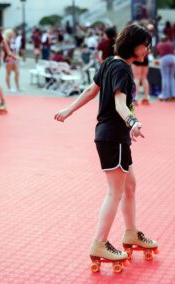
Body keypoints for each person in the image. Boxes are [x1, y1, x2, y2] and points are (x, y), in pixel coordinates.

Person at [54, 24, 159, 273]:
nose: (148, 49)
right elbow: (120, 103)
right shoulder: (122, 67)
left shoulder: (109, 62)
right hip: (113, 136)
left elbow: (92, 90)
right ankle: (99, 244)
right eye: (145, 44)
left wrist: (69, 110)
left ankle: (131, 233)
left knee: (130, 185)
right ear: (133, 45)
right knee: (115, 192)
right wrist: (133, 122)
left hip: (113, 135)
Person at [156, 36, 175, 101]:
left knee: (165, 77)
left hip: (164, 58)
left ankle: (165, 95)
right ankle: (173, 95)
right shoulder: (170, 43)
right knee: (172, 77)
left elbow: (158, 52)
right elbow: (174, 50)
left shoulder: (159, 44)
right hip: (173, 58)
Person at [3, 29, 21, 93]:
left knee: (17, 72)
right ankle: (9, 88)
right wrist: (15, 57)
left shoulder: (12, 41)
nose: (14, 33)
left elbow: (14, 50)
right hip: (9, 59)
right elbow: (8, 52)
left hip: (13, 58)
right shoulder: (6, 41)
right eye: (12, 33)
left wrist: (16, 56)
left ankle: (18, 87)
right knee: (8, 73)